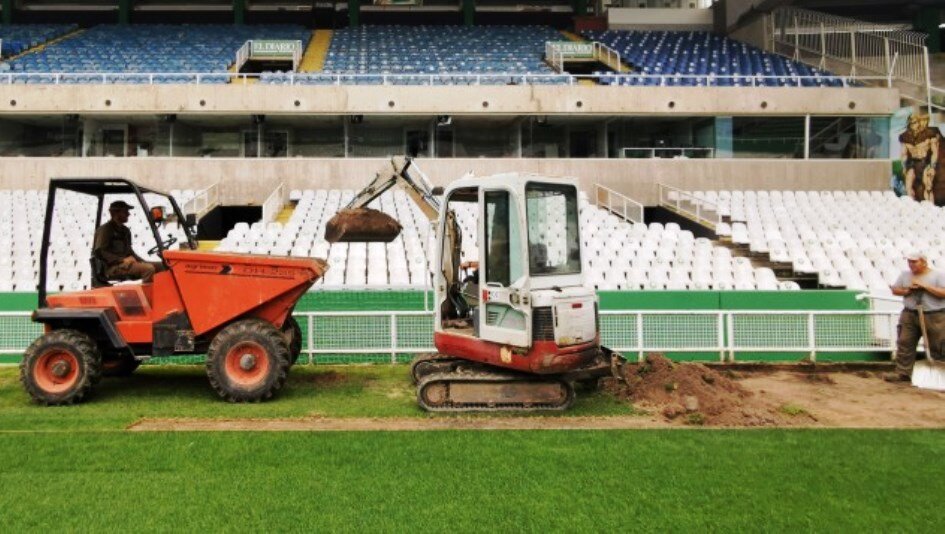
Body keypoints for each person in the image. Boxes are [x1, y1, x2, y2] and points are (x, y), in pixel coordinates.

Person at [886, 252, 945, 382]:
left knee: (937, 344)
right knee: (904, 342)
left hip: (934, 314)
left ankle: (939, 374)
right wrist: (907, 291)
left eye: (914, 262)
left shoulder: (938, 275)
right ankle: (903, 373)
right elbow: (895, 290)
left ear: (924, 262)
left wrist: (925, 287)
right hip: (910, 313)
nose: (911, 265)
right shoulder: (905, 275)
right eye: (909, 262)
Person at [93, 200, 162, 283]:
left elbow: (129, 251)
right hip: (112, 267)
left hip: (125, 264)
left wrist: (142, 261)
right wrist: (122, 260)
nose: (128, 214)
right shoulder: (105, 230)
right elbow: (100, 252)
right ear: (115, 213)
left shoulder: (125, 231)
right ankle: (149, 295)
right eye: (125, 212)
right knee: (148, 269)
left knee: (163, 266)